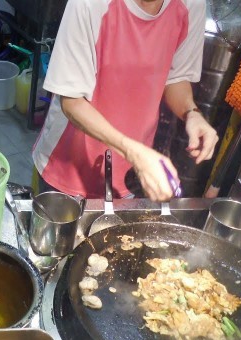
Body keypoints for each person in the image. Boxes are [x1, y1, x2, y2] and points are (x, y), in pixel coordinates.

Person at [32, 0, 219, 202]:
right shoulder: (89, 4)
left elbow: (176, 77)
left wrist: (191, 113)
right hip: (68, 163)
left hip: (131, 168)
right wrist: (135, 154)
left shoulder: (191, 5)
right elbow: (72, 101)